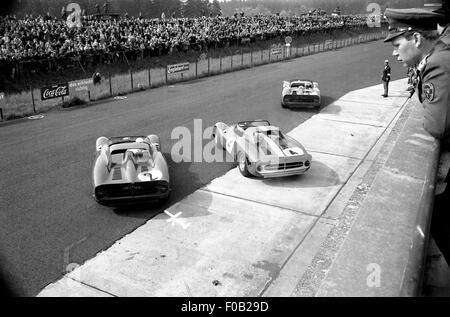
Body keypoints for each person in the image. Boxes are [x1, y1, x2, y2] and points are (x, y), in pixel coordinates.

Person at [384, 6, 450, 266]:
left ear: (417, 39)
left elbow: (437, 126)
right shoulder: (440, 56)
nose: (393, 52)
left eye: (397, 44)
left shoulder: (439, 64)